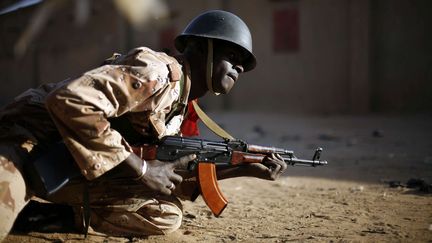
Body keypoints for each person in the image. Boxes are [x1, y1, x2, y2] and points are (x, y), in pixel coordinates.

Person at [0, 10, 287, 239]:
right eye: (233, 57)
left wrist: (242, 168)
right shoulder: (155, 72)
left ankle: (37, 217)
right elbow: (69, 101)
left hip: (65, 163)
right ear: (201, 49)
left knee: (162, 212)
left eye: (242, 65)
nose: (238, 68)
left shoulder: (181, 108)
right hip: (24, 142)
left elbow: (171, 181)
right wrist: (142, 170)